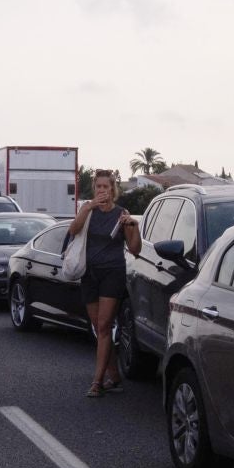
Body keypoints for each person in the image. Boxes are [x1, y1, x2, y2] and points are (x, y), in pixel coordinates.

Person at [67, 169, 142, 398]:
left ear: (113, 189)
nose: (101, 191)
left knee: (104, 325)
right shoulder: (88, 211)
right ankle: (114, 375)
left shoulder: (121, 214)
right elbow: (73, 230)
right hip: (90, 273)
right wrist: (87, 207)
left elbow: (135, 249)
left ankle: (97, 382)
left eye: (105, 187)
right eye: (98, 187)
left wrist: (133, 226)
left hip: (113, 272)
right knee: (100, 328)